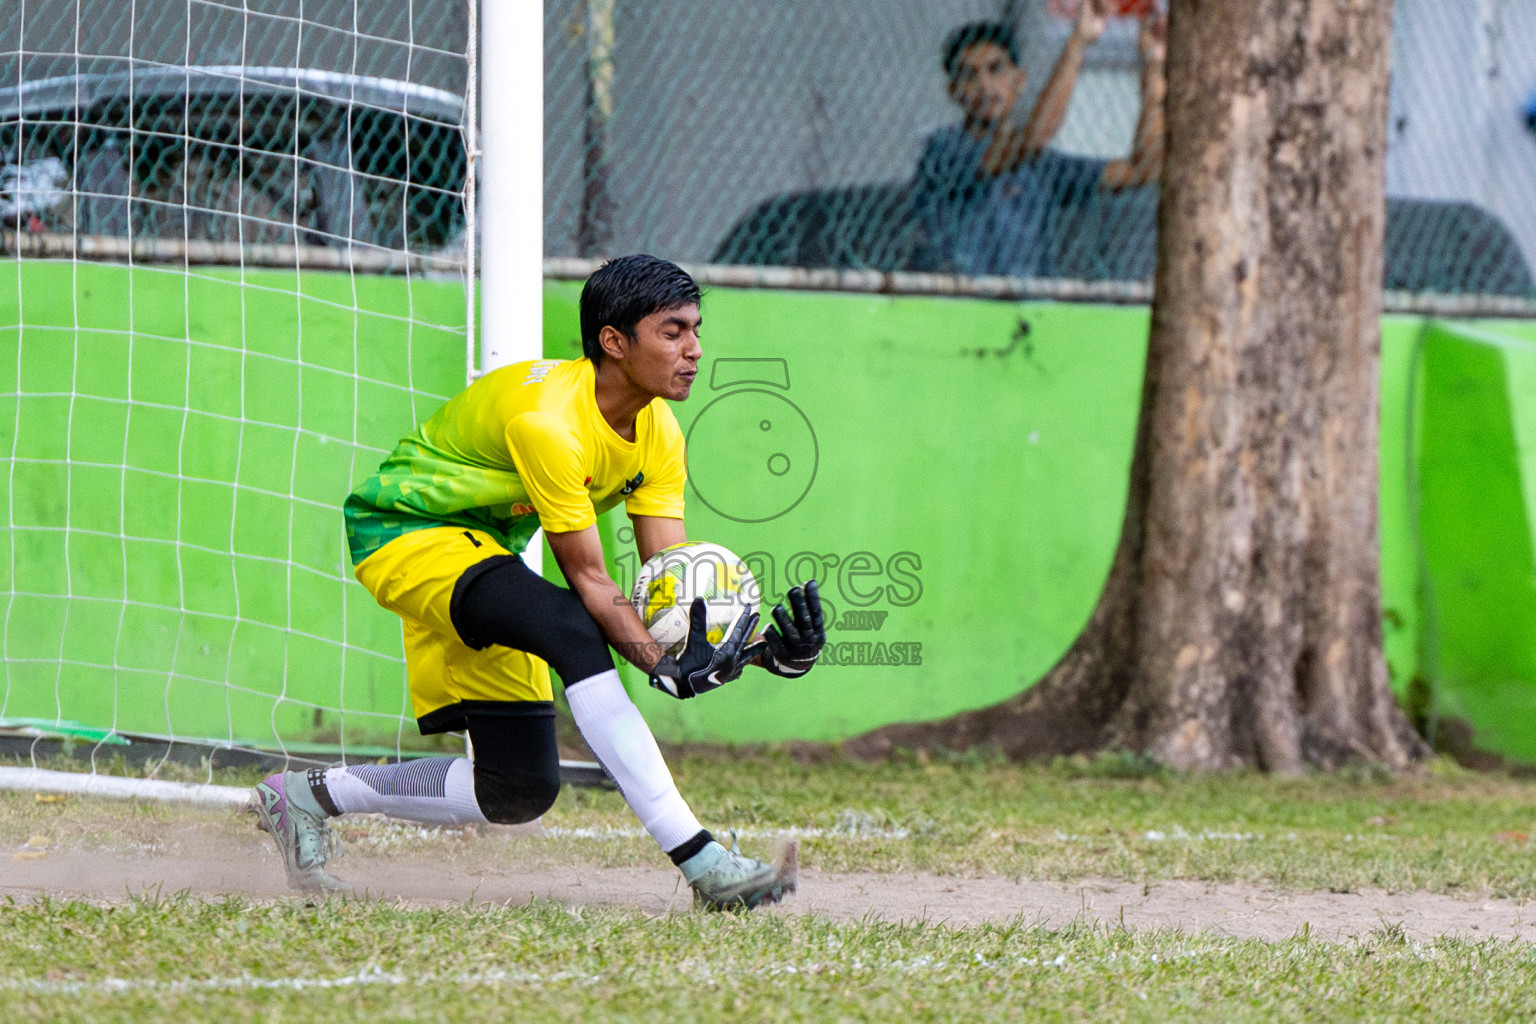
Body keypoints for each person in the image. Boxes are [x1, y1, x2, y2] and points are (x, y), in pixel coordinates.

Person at [252, 254, 826, 909]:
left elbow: (671, 584)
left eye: (696, 329)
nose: (694, 349)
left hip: (486, 552)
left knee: (517, 789)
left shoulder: (659, 433)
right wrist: (663, 668)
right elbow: (587, 577)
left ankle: (302, 797)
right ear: (614, 342)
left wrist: (754, 652)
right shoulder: (550, 423)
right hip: (403, 531)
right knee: (570, 624)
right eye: (673, 332)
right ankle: (706, 865)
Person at [911, 2, 1167, 276]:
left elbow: (1143, 170)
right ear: (953, 91)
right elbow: (1031, 142)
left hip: (1028, 311)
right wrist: (1077, 43)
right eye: (969, 75)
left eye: (995, 69)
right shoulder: (944, 149)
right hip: (959, 306)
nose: (984, 86)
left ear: (1019, 81)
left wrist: (1153, 66)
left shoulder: (1042, 165)